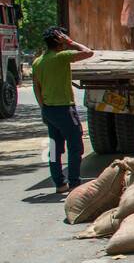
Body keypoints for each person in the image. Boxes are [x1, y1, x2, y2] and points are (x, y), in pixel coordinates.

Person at [32, 27, 93, 194]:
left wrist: (43, 108)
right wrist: (70, 42)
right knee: (76, 147)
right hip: (65, 109)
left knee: (54, 147)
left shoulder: (38, 62)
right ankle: (74, 183)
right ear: (60, 41)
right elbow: (88, 52)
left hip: (49, 110)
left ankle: (59, 183)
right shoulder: (61, 57)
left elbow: (36, 87)